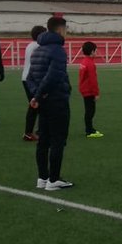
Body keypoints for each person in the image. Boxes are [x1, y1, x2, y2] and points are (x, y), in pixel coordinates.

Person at [26, 16, 74, 190]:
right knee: (58, 140)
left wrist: (36, 96)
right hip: (56, 100)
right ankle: (54, 179)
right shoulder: (58, 50)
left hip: (44, 101)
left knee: (43, 140)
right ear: (60, 30)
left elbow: (30, 77)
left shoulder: (38, 49)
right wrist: (39, 96)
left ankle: (42, 177)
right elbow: (53, 77)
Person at [21, 25, 45, 141]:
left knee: (36, 106)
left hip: (26, 78)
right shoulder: (38, 46)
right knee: (35, 105)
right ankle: (29, 132)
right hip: (33, 79)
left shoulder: (30, 45)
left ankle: (36, 131)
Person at [77, 41, 103, 137]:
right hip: (89, 91)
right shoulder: (90, 64)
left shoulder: (84, 62)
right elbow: (93, 80)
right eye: (95, 50)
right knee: (90, 111)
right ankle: (89, 130)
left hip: (84, 89)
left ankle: (89, 129)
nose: (96, 52)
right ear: (92, 51)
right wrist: (96, 93)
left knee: (88, 110)